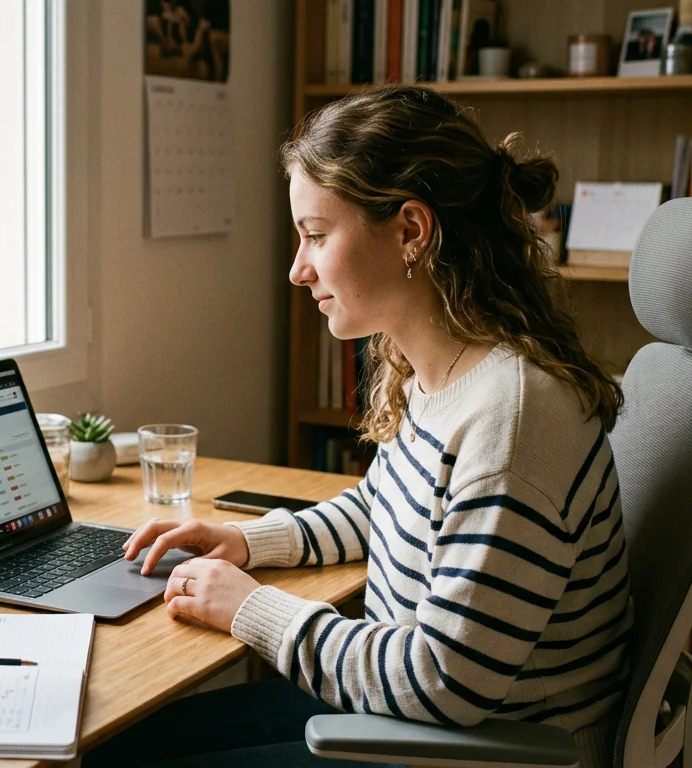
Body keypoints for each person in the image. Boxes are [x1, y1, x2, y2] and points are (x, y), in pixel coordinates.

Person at [86, 85, 632, 768]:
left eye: (316, 235)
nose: (297, 269)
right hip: (416, 721)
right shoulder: (435, 369)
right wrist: (248, 542)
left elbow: (442, 681)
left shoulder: (509, 421)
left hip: (482, 750)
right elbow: (384, 506)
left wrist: (251, 609)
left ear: (410, 231)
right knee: (118, 748)